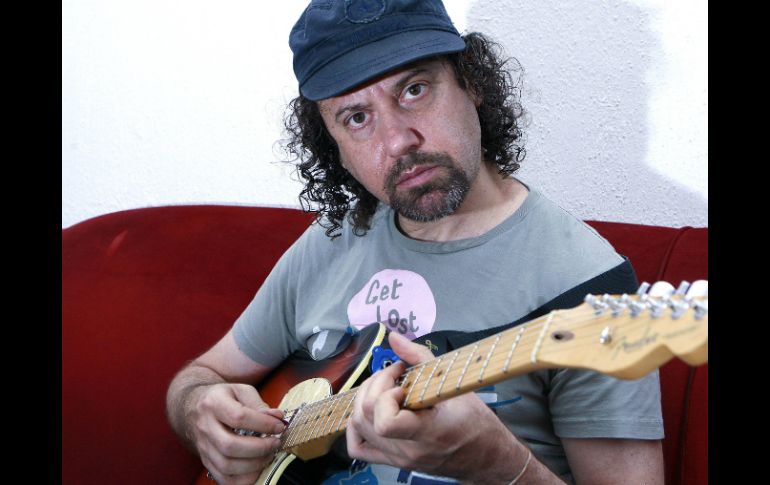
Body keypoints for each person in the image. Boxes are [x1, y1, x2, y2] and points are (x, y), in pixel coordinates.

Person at [166, 1, 665, 484]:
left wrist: (500, 466)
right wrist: (196, 409)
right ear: (334, 146)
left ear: (471, 83)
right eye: (356, 117)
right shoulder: (332, 238)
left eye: (414, 90)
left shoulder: (585, 283)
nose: (397, 141)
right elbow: (204, 374)